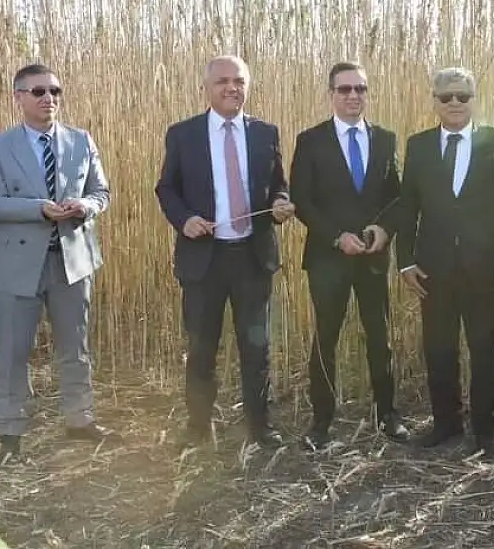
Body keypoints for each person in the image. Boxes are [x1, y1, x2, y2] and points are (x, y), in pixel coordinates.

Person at [154, 55, 296, 448]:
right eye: (222, 82)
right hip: (204, 260)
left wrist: (281, 203)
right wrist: (185, 219)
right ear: (206, 88)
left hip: (252, 258)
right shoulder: (183, 134)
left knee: (256, 347)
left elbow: (279, 185)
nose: (232, 88)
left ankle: (260, 426)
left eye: (239, 81)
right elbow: (166, 188)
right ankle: (198, 428)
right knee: (202, 348)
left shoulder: (265, 133)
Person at [0, 63, 115, 463]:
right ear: (18, 97)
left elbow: (101, 192)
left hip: (72, 259)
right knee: (14, 350)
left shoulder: (80, 140)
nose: (48, 99)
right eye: (38, 91)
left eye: (55, 91)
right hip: (18, 263)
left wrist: (85, 205)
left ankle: (80, 419)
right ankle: (10, 430)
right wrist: (40, 208)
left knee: (76, 345)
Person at [395, 66, 494, 459]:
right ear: (434, 101)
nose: (454, 103)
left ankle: (485, 432)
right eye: (446, 96)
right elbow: (408, 205)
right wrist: (404, 261)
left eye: (462, 96)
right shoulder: (418, 145)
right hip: (433, 269)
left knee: (484, 349)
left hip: (486, 269)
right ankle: (445, 423)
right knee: (438, 348)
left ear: (474, 100)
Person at [290, 61, 409, 449]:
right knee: (326, 337)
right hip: (328, 259)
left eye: (360, 89)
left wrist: (384, 230)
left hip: (373, 257)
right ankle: (321, 421)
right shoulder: (311, 141)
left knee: (380, 336)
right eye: (345, 89)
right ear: (331, 95)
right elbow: (302, 199)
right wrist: (336, 237)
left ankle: (387, 414)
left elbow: (397, 198)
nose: (353, 96)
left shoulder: (386, 139)